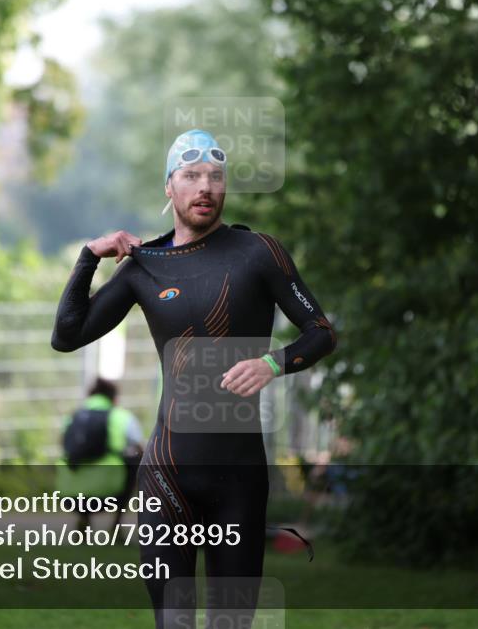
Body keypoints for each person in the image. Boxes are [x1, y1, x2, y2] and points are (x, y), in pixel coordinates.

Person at [51, 128, 336, 628]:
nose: (204, 186)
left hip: (239, 479)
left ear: (224, 188)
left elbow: (320, 332)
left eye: (215, 177)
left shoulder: (258, 252)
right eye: (191, 175)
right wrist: (88, 257)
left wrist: (274, 362)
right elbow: (67, 335)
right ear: (170, 187)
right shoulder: (146, 266)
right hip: (166, 475)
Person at [60, 377, 143, 530]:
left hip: (70, 496)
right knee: (136, 461)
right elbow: (141, 448)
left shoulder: (73, 417)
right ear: (114, 398)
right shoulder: (122, 417)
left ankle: (84, 519)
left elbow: (64, 446)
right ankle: (116, 526)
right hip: (110, 494)